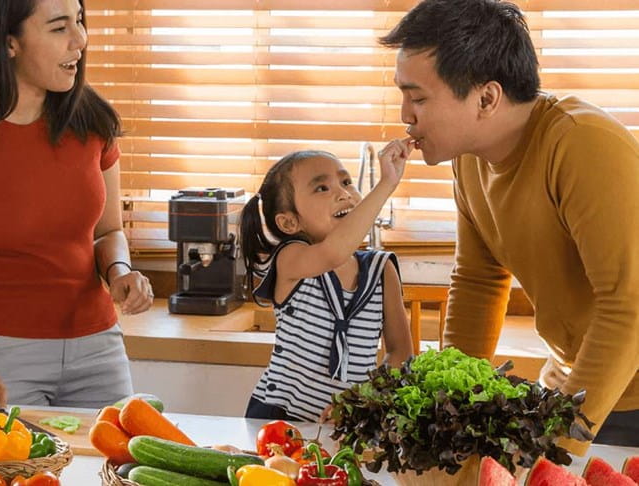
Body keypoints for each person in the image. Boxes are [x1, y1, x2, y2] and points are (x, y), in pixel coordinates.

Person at [380, 0, 639, 451]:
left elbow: (628, 302)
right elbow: (478, 281)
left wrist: (561, 440)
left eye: (418, 98)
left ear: (486, 98)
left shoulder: (581, 143)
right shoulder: (470, 160)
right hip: (569, 382)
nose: (405, 115)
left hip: (620, 393)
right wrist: (447, 413)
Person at [0, 0, 154, 418]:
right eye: (58, 27)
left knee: (111, 461)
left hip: (98, 348)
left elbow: (107, 232)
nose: (80, 40)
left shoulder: (91, 120)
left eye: (79, 21)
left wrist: (120, 272)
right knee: (10, 463)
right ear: (8, 42)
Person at [240, 145, 415, 422]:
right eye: (322, 188)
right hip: (278, 419)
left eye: (346, 182)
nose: (343, 193)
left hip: (346, 425)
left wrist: (362, 399)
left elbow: (401, 354)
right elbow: (333, 253)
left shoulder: (381, 270)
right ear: (289, 223)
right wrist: (386, 184)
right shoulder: (291, 259)